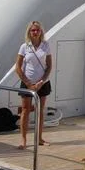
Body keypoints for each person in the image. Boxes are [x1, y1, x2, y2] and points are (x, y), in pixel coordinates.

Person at [15, 21, 52, 149]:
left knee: (40, 111)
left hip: (43, 83)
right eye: (33, 30)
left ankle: (39, 138)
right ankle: (23, 140)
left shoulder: (46, 46)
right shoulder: (24, 47)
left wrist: (42, 81)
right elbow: (18, 67)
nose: (35, 32)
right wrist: (28, 83)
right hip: (28, 83)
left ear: (41, 31)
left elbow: (49, 66)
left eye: (37, 30)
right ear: (29, 32)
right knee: (25, 110)